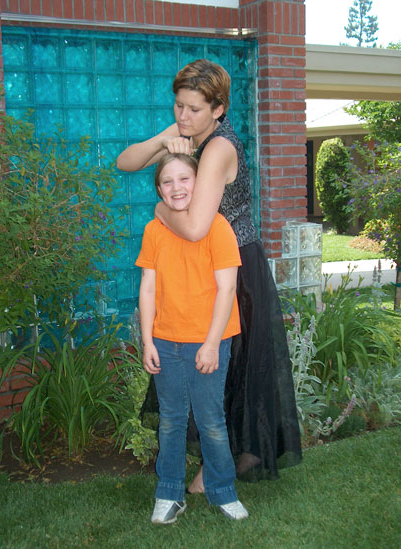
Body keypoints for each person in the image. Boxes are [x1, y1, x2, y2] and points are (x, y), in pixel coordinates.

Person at [117, 59, 302, 491]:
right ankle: (222, 461)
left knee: (228, 366)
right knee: (210, 365)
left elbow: (196, 226)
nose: (183, 116)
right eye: (178, 105)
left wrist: (160, 209)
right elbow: (126, 162)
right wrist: (164, 139)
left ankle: (221, 465)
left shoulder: (218, 148)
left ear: (218, 109)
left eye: (193, 109)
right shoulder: (187, 132)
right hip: (202, 269)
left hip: (233, 270)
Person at [136, 152, 248, 524]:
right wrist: (148, 341)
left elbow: (227, 288)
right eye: (167, 182)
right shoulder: (154, 231)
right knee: (171, 420)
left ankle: (223, 491)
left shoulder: (218, 227)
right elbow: (148, 288)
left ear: (199, 183)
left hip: (209, 341)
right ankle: (169, 493)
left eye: (184, 178)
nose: (176, 188)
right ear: (159, 190)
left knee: (210, 419)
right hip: (165, 342)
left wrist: (212, 344)